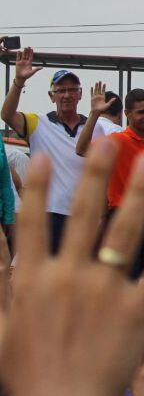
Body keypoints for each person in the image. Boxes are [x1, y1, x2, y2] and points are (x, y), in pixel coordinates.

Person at [1, 48, 90, 252]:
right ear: (52, 96)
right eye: (61, 91)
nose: (67, 95)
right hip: (48, 213)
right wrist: (19, 82)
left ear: (80, 94)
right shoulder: (37, 123)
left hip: (84, 214)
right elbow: (7, 114)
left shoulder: (93, 127)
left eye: (72, 89)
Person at [75, 86, 144, 276]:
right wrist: (94, 114)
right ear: (127, 114)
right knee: (125, 280)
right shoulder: (117, 141)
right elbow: (82, 148)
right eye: (141, 112)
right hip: (120, 219)